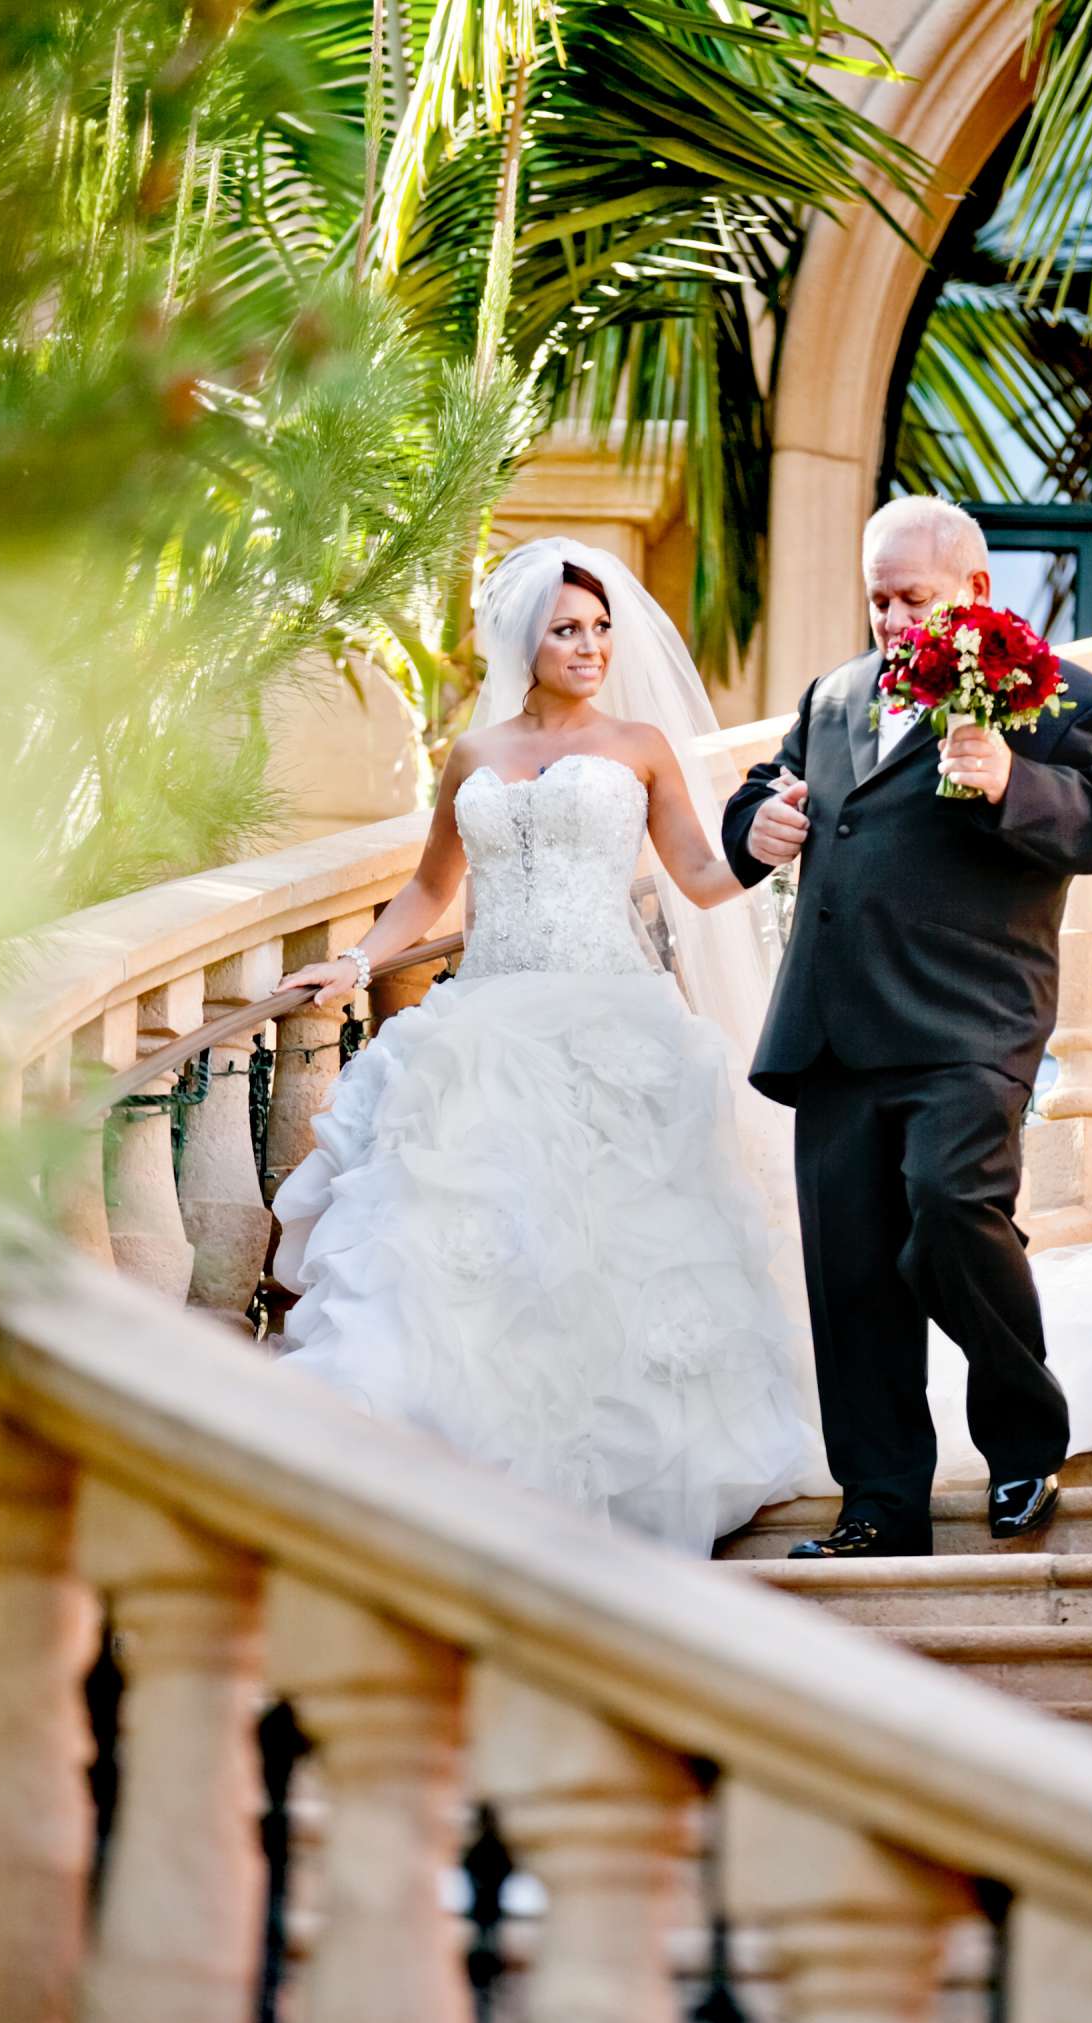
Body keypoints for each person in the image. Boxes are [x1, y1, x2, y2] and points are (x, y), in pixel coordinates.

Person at [267, 538, 816, 1556]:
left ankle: (623, 1476)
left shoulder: (642, 745)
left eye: (600, 629)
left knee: (610, 1248)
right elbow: (432, 892)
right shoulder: (471, 758)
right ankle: (464, 1466)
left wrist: (765, 847)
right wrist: (350, 964)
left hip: (609, 1021)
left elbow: (698, 877)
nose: (590, 646)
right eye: (567, 629)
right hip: (486, 1020)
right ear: (523, 641)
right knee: (478, 1244)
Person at [722, 495, 1092, 1558]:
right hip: (832, 1026)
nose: (889, 616)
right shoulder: (832, 697)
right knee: (852, 1276)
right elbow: (759, 792)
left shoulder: (1064, 699)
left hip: (970, 1023)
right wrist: (759, 820)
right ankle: (879, 1506)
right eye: (875, 597)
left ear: (972, 591)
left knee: (953, 1208)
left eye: (911, 596)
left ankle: (1021, 1444)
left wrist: (1014, 779)